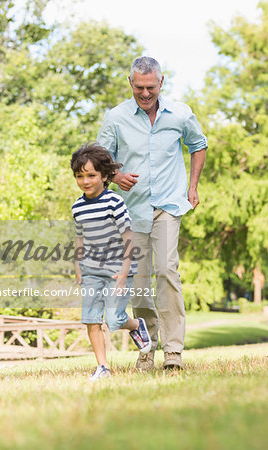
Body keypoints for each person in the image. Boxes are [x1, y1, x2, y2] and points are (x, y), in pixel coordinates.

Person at [97, 56, 207, 371]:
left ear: (161, 83)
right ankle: (148, 347)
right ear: (131, 84)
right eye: (139, 88)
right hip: (132, 211)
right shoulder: (116, 118)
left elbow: (198, 145)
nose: (145, 94)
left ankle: (173, 353)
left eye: (151, 88)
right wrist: (116, 177)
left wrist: (193, 186)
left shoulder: (181, 114)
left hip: (169, 204)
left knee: (168, 271)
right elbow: (101, 159)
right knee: (141, 280)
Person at [70, 143, 152, 381]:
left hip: (118, 267)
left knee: (114, 319)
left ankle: (137, 325)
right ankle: (103, 366)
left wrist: (125, 271)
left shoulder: (114, 202)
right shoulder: (77, 207)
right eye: (80, 176)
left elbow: (128, 237)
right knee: (91, 318)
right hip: (91, 270)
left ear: (105, 176)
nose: (86, 181)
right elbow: (79, 238)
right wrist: (78, 267)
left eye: (91, 175)